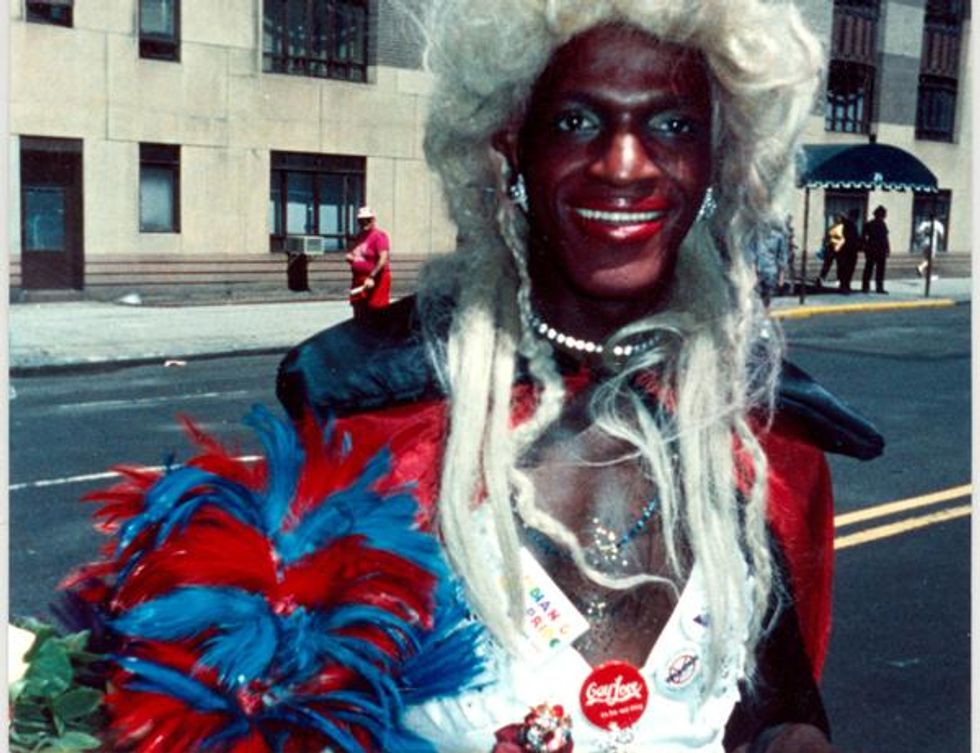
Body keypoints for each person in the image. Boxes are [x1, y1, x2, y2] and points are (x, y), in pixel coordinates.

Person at [60, 2, 885, 752]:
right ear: (510, 153)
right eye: (575, 120)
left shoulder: (756, 444)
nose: (625, 164)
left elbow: (780, 701)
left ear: (714, 161)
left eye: (671, 124)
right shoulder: (377, 430)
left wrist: (790, 736)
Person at [345, 206, 391, 317]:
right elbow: (357, 254)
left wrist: (371, 277)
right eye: (361, 220)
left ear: (373, 220)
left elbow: (383, 259)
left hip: (376, 278)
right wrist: (351, 258)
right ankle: (359, 332)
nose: (364, 222)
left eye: (368, 219)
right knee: (358, 307)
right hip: (359, 278)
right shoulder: (360, 236)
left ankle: (378, 333)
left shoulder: (379, 236)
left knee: (376, 310)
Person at [751, 220, 790, 307]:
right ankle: (763, 313)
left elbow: (782, 257)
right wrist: (753, 271)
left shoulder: (778, 237)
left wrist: (781, 277)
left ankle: (766, 312)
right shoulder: (757, 236)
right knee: (756, 295)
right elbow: (753, 254)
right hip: (759, 270)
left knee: (767, 295)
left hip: (770, 271)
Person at [861, 205, 890, 294]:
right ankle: (877, 287)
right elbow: (865, 237)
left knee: (870, 269)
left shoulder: (874, 224)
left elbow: (885, 238)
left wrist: (887, 248)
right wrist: (887, 249)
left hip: (874, 250)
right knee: (876, 269)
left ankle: (867, 287)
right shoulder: (873, 224)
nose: (885, 216)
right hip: (876, 250)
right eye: (884, 214)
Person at [836, 209, 861, 294]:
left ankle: (845, 285)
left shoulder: (851, 225)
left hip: (850, 251)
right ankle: (844, 286)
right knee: (846, 270)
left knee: (848, 269)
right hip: (846, 251)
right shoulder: (847, 225)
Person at [817, 215, 844, 288]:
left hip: (835, 249)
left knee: (832, 265)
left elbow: (826, 239)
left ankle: (822, 279)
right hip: (834, 249)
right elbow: (826, 239)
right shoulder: (838, 228)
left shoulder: (832, 228)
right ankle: (822, 279)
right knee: (831, 265)